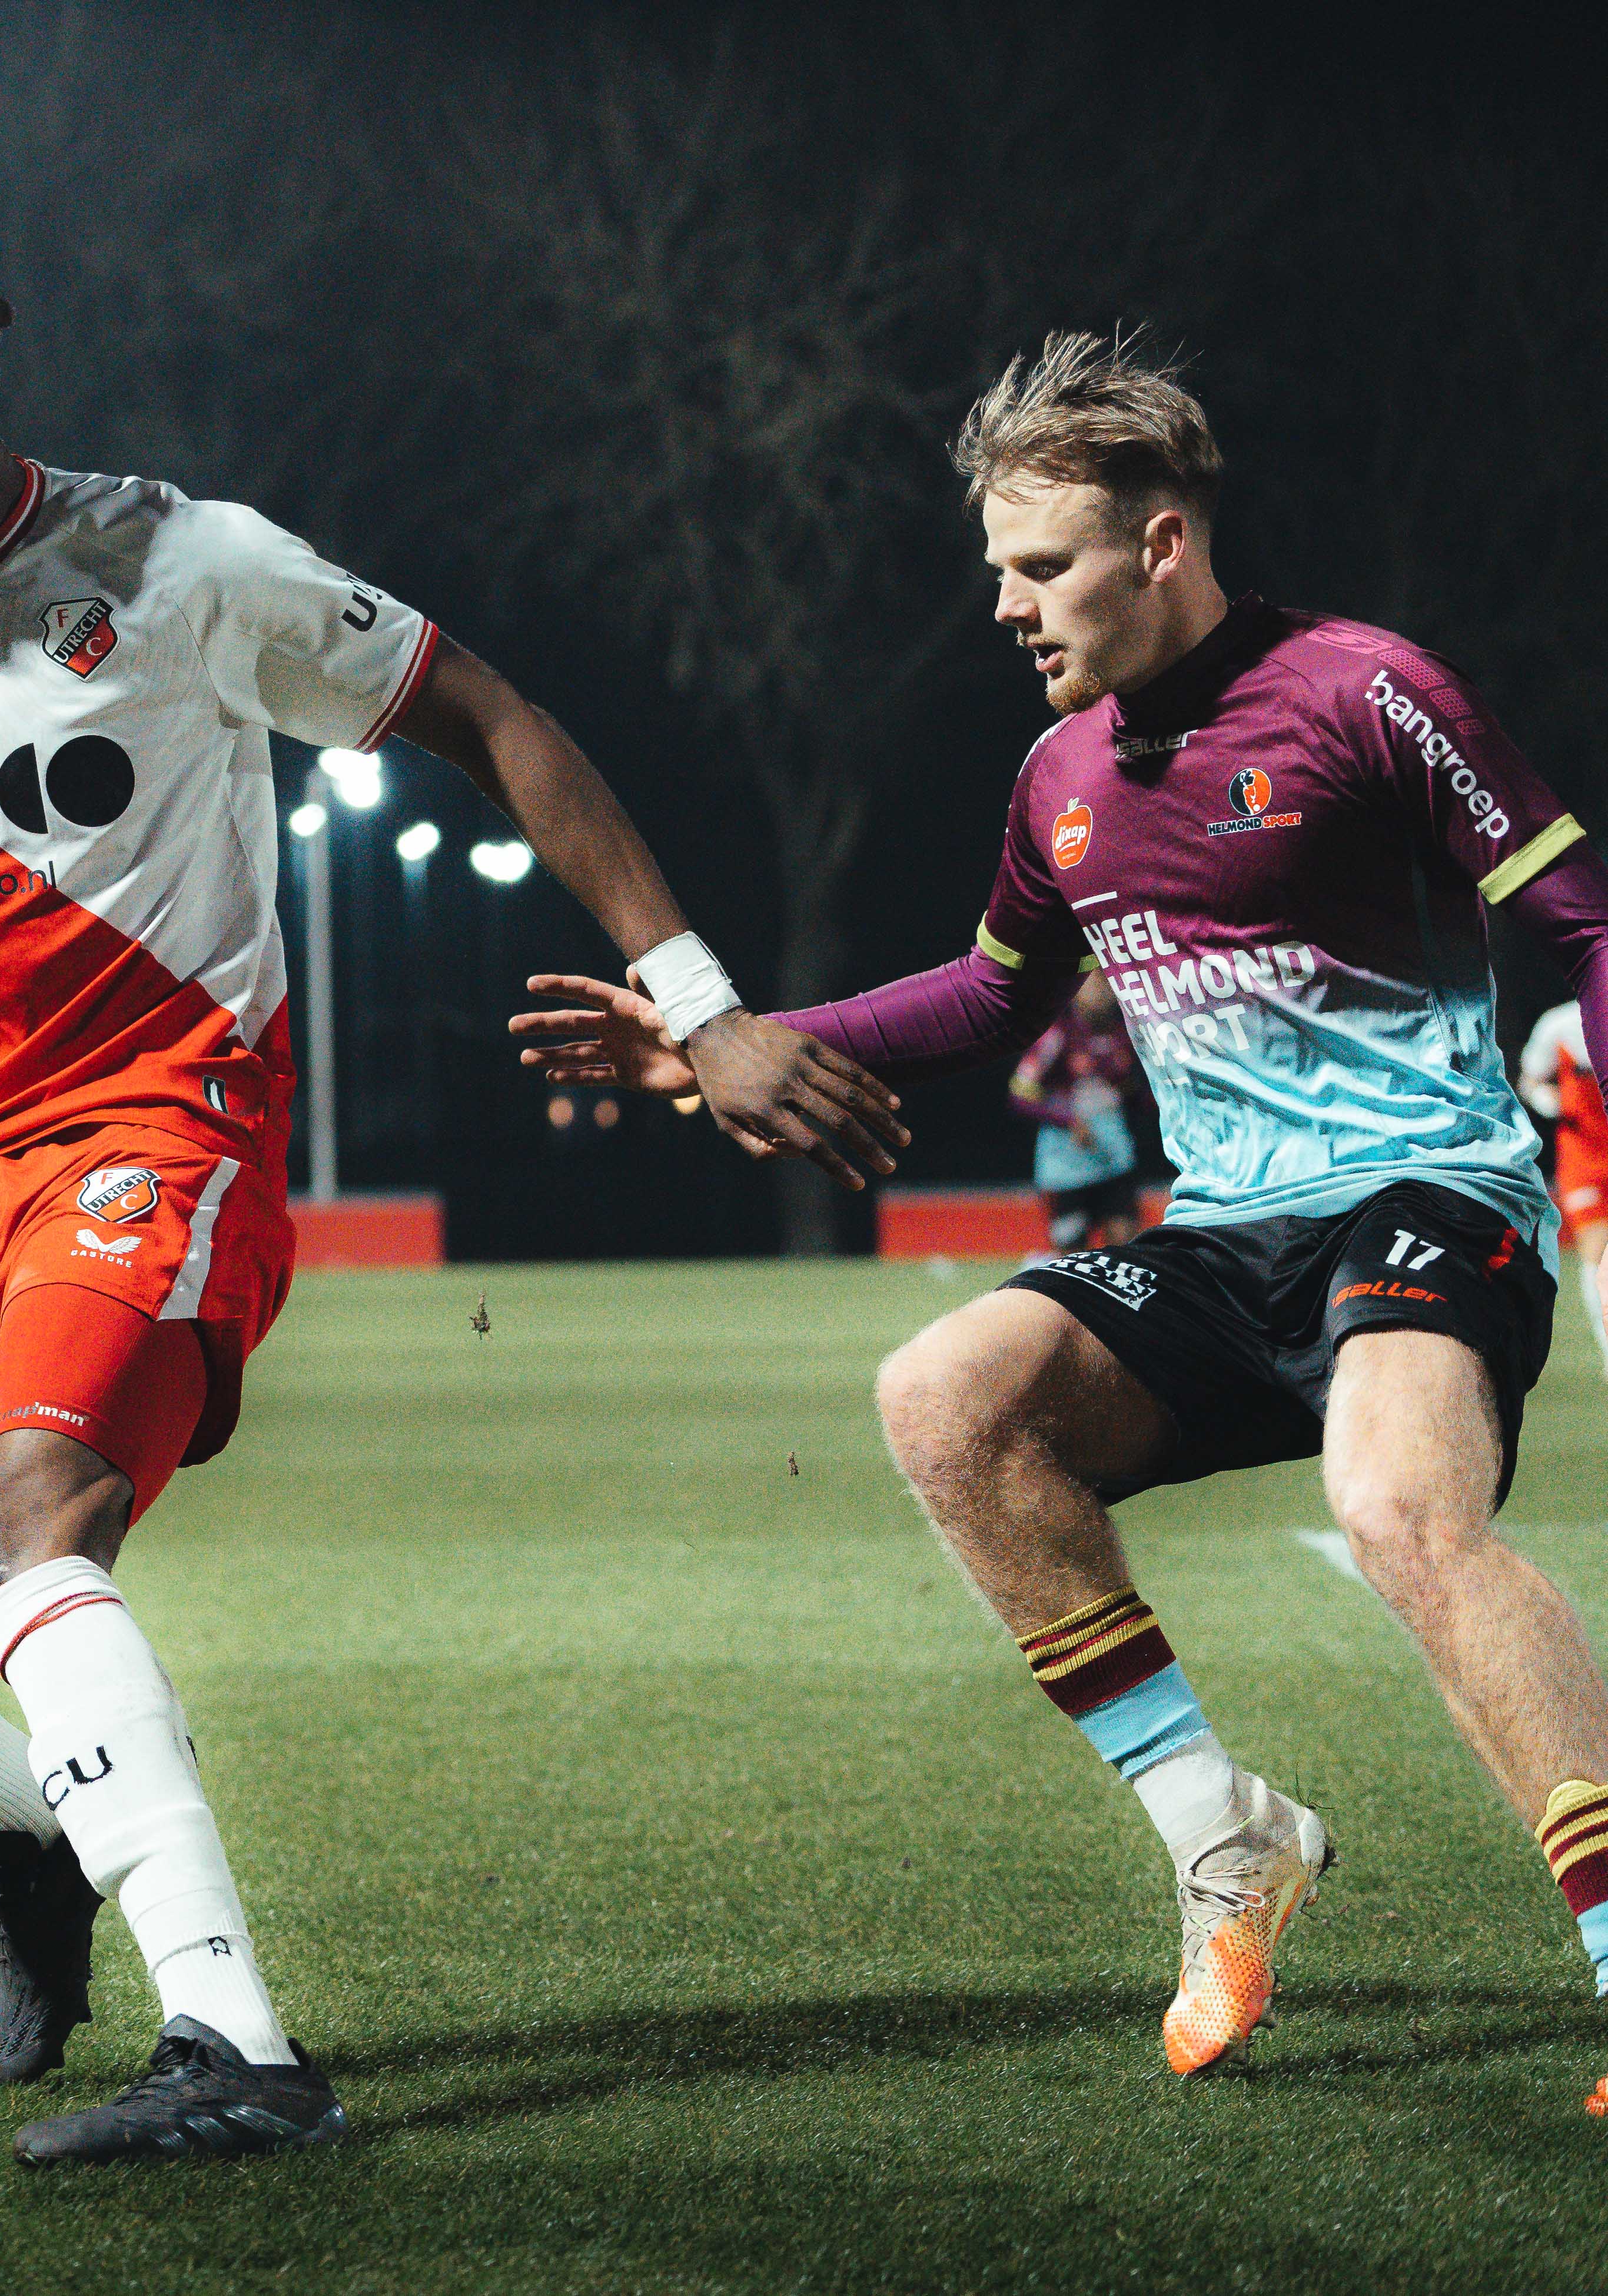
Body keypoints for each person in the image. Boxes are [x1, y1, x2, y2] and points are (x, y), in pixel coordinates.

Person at [0, 221, 899, 2164]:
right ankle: (30, 1817)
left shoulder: (181, 568)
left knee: (20, 1518)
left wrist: (704, 1003)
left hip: (160, 1140)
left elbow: (493, 717)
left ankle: (234, 2047)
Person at [517, 333, 1608, 2076]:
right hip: (1224, 1236)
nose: (1009, 607)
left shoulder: (1364, 691)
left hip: (1426, 1193)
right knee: (943, 1396)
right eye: (995, 573)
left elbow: (1575, 924)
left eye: (1042, 568)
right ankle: (1222, 1835)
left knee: (1398, 1503)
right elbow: (987, 1001)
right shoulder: (1060, 780)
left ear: (1161, 544)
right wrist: (726, 1044)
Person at [1009, 969, 1147, 1252]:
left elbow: (1132, 1091)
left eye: (1107, 982)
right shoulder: (1058, 1033)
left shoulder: (1124, 1032)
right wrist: (1069, 1119)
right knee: (1072, 1258)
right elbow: (1020, 1092)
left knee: (1125, 1251)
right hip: (1066, 1165)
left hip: (1115, 1159)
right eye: (1094, 982)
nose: (1102, 990)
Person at [1517, 1001, 1608, 1380]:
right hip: (1584, 1158)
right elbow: (1530, 1078)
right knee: (1599, 1252)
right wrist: (1547, 1101)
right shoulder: (1561, 1024)